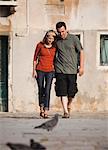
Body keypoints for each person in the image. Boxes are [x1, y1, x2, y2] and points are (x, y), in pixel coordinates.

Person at [54, 21, 84, 118]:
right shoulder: (56, 40)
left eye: (63, 31)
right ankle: (66, 112)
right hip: (60, 69)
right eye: (59, 32)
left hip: (72, 70)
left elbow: (81, 52)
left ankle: (69, 105)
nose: (61, 34)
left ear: (66, 29)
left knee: (71, 91)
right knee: (62, 91)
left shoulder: (74, 39)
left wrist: (82, 67)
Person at [32, 30, 57, 118]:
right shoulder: (40, 45)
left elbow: (56, 59)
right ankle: (41, 107)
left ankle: (46, 110)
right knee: (41, 89)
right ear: (46, 37)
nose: (50, 40)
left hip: (50, 71)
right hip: (40, 70)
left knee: (47, 90)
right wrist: (34, 70)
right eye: (49, 37)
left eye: (52, 38)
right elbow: (35, 58)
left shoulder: (55, 47)